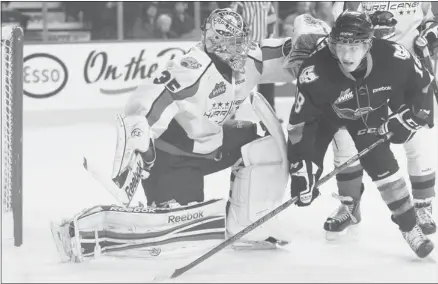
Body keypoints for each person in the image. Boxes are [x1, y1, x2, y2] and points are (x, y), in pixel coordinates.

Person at [50, 8, 294, 262]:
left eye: (242, 40)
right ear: (216, 42)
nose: (241, 48)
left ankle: (248, 223)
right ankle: (82, 231)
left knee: (261, 144)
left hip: (210, 146)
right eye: (234, 43)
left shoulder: (247, 59)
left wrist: (311, 46)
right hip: (170, 161)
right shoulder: (191, 68)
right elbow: (148, 99)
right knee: (179, 232)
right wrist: (141, 137)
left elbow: (281, 54)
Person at [287, 10, 435, 258]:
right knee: (315, 172)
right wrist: (301, 165)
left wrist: (413, 117)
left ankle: (410, 228)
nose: (346, 55)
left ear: (369, 43)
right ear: (332, 43)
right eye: (341, 45)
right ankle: (349, 206)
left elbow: (422, 84)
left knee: (383, 166)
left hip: (367, 113)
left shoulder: (393, 56)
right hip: (324, 118)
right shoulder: (313, 71)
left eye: (355, 46)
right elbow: (300, 125)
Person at [326, 2, 437, 239]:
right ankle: (349, 205)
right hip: (364, 73)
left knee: (415, 141)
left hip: (408, 71)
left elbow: (434, 19)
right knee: (346, 139)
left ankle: (423, 207)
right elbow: (337, 30)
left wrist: (432, 34)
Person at [230, 1, 278, 112]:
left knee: (268, 81)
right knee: (239, 85)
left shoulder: (267, 3)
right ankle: (230, 113)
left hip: (262, 47)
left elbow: (272, 23)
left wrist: (267, 42)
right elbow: (232, 25)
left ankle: (269, 113)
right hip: (244, 49)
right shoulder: (241, 3)